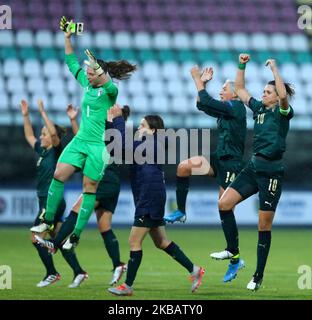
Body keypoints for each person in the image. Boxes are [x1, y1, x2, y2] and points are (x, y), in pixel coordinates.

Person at [31, 16, 136, 245]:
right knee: (58, 174)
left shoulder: (110, 92)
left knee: (89, 188)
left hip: (98, 146)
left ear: (100, 73)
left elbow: (109, 84)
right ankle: (48, 220)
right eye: (88, 71)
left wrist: (98, 67)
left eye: (91, 71)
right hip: (80, 141)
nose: (87, 73)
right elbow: (71, 63)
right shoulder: (88, 85)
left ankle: (76, 234)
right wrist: (67, 38)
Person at [107, 104, 205, 296]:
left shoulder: (149, 142)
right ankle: (194, 270)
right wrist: (112, 123)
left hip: (149, 197)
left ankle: (127, 286)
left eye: (142, 125)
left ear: (152, 130)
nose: (139, 128)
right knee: (161, 241)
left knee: (134, 241)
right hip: (153, 196)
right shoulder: (150, 144)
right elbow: (116, 149)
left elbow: (121, 147)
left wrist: (117, 120)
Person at [217, 53, 295, 291]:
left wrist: (274, 68)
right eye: (264, 91)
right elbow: (239, 88)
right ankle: (233, 250)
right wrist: (242, 64)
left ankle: (258, 276)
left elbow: (282, 95)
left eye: (267, 92)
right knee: (224, 204)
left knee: (263, 226)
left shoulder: (282, 112)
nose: (263, 94)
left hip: (272, 172)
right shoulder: (258, 108)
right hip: (253, 167)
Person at [165, 66, 247, 282]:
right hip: (218, 158)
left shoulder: (237, 108)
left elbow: (207, 101)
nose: (221, 92)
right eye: (219, 89)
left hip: (231, 164)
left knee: (224, 207)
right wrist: (204, 84)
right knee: (183, 167)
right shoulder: (226, 109)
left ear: (235, 94)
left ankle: (235, 258)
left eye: (224, 89)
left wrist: (196, 78)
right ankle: (181, 211)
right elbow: (201, 103)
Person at [35, 105, 131, 287]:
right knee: (105, 227)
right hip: (113, 181)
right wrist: (73, 119)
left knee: (76, 210)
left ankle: (54, 244)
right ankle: (118, 264)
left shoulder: (107, 128)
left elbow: (85, 142)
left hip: (103, 180)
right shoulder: (116, 131)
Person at [21, 99, 86, 288]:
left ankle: (52, 273)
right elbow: (28, 136)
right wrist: (26, 115)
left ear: (52, 136)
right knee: (60, 239)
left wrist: (42, 112)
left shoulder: (56, 151)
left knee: (36, 237)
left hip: (52, 203)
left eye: (44, 134)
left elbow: (54, 135)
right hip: (48, 201)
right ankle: (79, 272)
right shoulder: (43, 151)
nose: (41, 137)